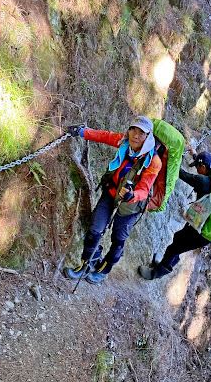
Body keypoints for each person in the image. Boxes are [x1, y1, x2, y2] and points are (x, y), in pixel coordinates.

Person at [63, 115, 162, 284]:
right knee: (95, 229)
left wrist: (133, 195)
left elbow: (145, 189)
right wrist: (81, 132)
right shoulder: (124, 142)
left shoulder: (153, 161)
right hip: (111, 191)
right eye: (133, 130)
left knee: (118, 238)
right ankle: (86, 265)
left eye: (141, 133)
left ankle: (104, 269)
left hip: (132, 205)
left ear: (148, 136)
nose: (135, 136)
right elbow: (105, 136)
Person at [139, 151, 211, 280]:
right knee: (179, 239)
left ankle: (156, 273)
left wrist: (167, 160)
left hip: (210, 228)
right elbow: (204, 167)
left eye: (197, 167)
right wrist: (195, 155)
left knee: (175, 247)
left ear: (203, 167)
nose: (197, 171)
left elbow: (182, 174)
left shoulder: (204, 182)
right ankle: (168, 262)